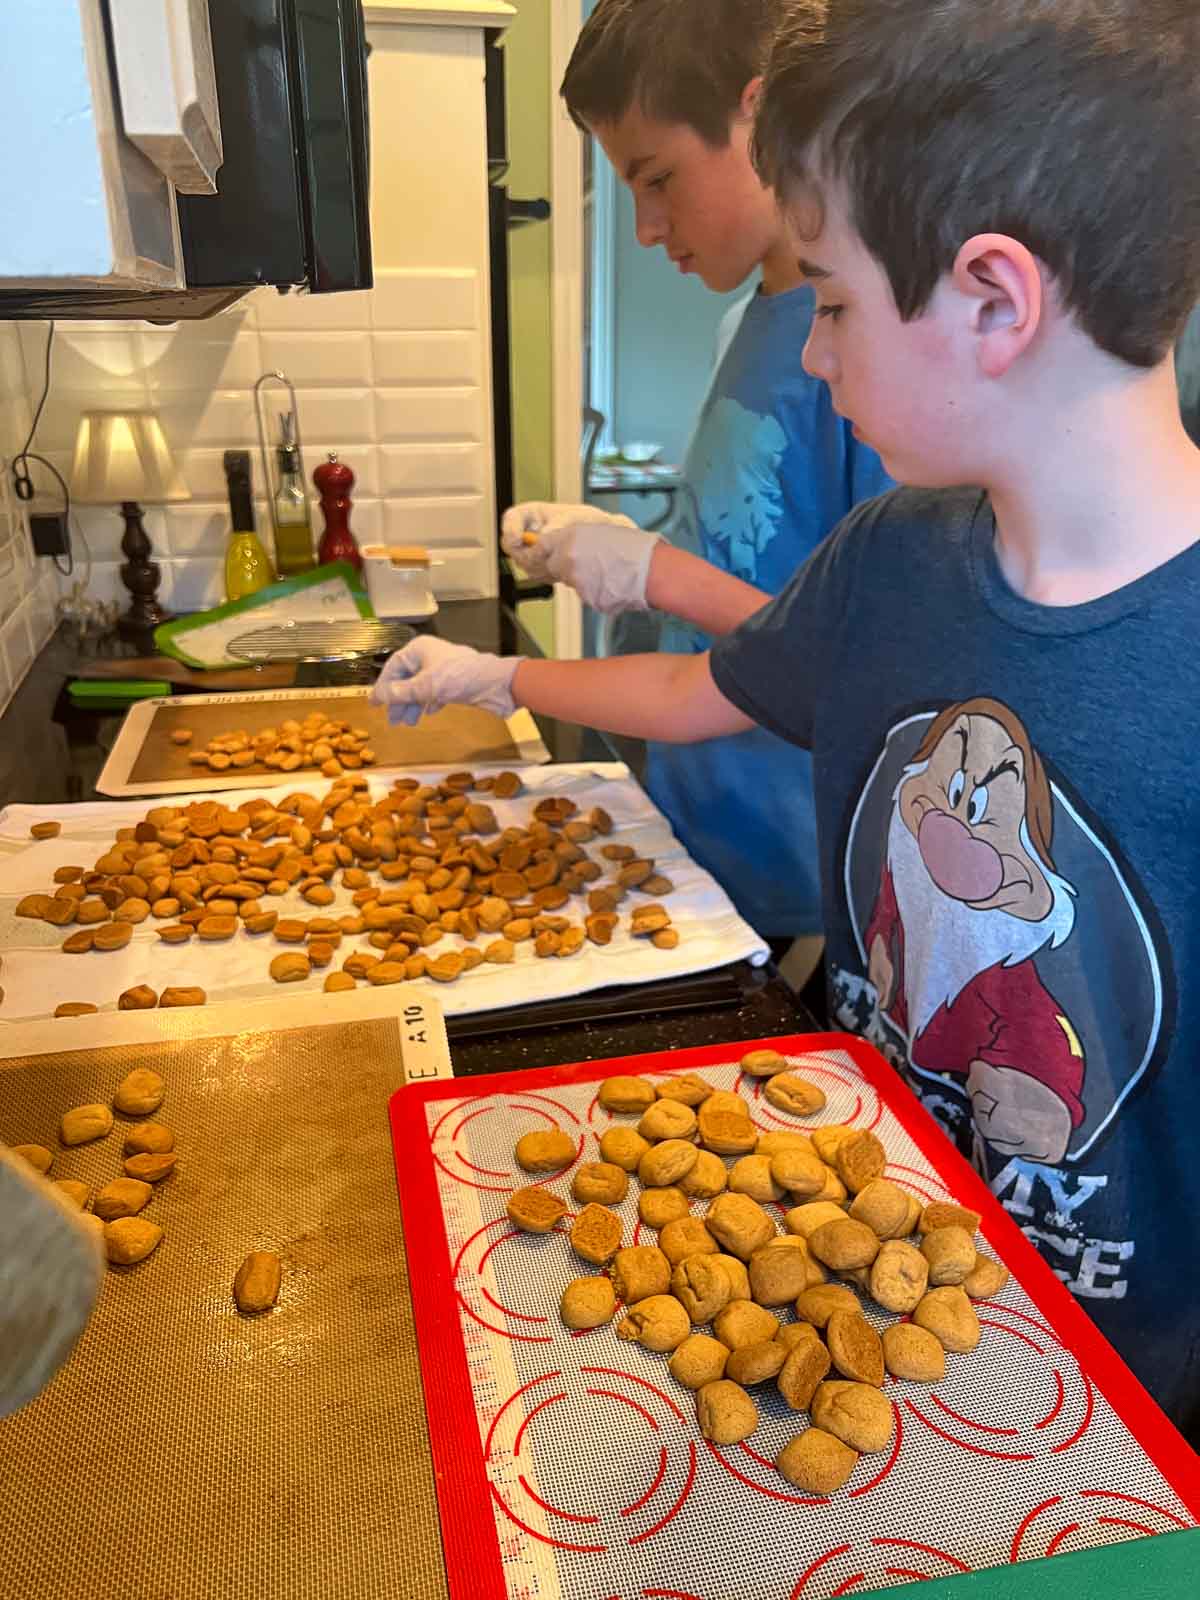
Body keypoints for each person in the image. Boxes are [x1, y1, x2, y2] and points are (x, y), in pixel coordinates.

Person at [374, 0, 1200, 1442]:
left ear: (993, 301)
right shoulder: (887, 560)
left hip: (1121, 1411)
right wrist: (499, 679)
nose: (810, 357)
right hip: (857, 1278)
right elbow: (703, 687)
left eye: (828, 301)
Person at [502, 0, 891, 954]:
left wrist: (651, 570)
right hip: (696, 842)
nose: (645, 228)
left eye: (659, 178)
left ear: (757, 119)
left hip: (801, 883)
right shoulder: (751, 320)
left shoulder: (862, 355)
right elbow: (754, 548)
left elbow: (864, 658)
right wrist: (622, 548)